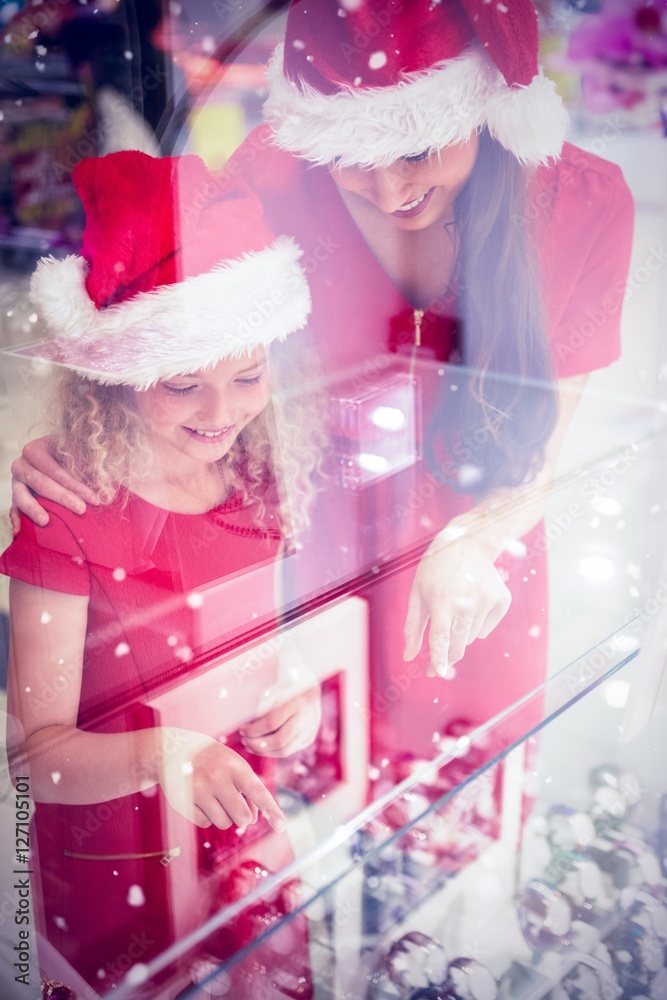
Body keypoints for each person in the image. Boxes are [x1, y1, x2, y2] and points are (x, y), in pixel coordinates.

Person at [10, 0, 634, 779]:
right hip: (300, 550)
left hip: (474, 560)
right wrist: (79, 438)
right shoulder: (271, 175)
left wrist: (477, 538)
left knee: (459, 799)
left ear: (481, 106)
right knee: (295, 795)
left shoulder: (583, 205)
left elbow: (544, 444)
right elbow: (174, 337)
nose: (385, 187)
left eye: (417, 147)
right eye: (350, 155)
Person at [1, 150, 321, 995]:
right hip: (115, 856)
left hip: (238, 833)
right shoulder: (65, 513)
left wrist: (289, 690)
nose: (223, 412)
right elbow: (36, 761)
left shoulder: (258, 479)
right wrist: (166, 755)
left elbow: (252, 651)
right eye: (183, 387)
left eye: (247, 375)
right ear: (115, 383)